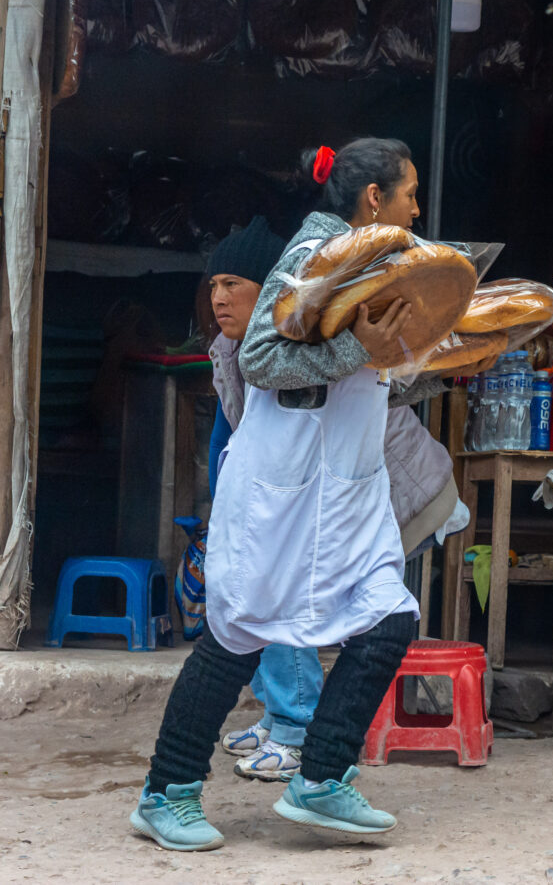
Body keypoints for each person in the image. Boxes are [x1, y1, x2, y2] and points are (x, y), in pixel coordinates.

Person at [131, 138, 445, 851]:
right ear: (374, 199)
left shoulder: (379, 265)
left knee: (388, 618)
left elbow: (374, 369)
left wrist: (447, 356)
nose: (416, 207)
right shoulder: (311, 254)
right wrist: (356, 350)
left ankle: (322, 778)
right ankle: (164, 792)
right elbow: (261, 357)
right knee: (237, 635)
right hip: (282, 485)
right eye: (409, 192)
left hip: (345, 487)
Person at [200, 216, 468, 783]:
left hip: (401, 495)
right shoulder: (235, 349)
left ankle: (301, 736)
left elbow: (402, 380)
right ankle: (287, 727)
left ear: (274, 289)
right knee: (274, 596)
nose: (219, 298)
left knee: (314, 605)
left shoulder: (322, 346)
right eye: (214, 286)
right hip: (336, 505)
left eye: (234, 285)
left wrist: (458, 367)